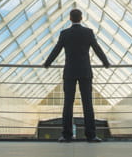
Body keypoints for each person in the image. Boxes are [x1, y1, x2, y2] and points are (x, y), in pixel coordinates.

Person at [43, 9, 110, 143]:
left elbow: (56, 49)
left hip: (70, 72)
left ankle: (67, 135)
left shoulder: (65, 34)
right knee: (88, 103)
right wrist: (105, 62)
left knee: (68, 103)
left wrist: (47, 63)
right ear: (81, 18)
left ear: (70, 18)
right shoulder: (88, 32)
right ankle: (91, 135)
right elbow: (97, 48)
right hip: (85, 71)